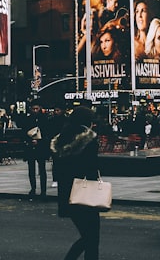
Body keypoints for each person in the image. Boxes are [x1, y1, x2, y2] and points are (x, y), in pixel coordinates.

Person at [52, 107, 102, 260]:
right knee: (92, 236)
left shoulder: (61, 138)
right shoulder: (89, 139)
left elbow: (57, 170)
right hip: (83, 192)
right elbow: (91, 167)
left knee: (87, 235)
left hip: (66, 192)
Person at [21, 100, 51, 197]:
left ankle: (43, 190)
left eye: (37, 108)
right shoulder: (27, 119)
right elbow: (23, 132)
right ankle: (33, 188)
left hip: (41, 146)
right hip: (31, 146)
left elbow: (47, 133)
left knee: (42, 169)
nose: (35, 110)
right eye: (33, 109)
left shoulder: (44, 119)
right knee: (31, 169)